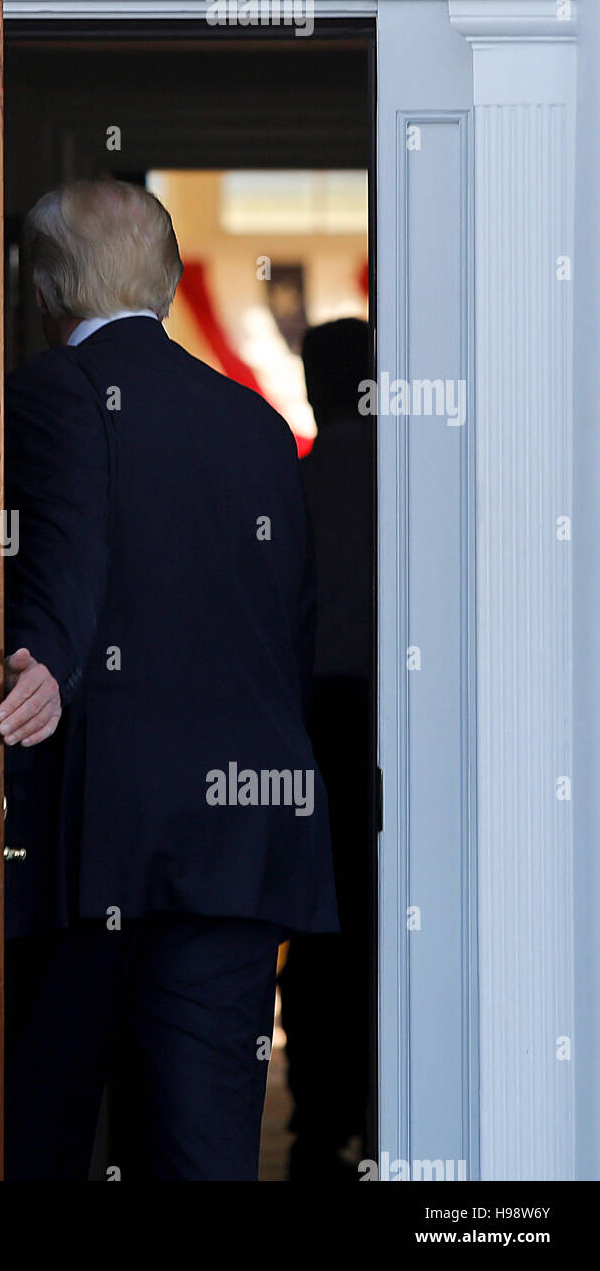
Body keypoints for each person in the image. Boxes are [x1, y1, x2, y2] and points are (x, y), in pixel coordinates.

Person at [0, 178, 339, 1181]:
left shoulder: (44, 397)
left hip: (91, 839)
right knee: (202, 1150)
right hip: (239, 839)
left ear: (45, 288)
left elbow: (70, 559)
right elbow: (291, 637)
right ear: (165, 280)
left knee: (40, 1139)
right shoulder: (256, 425)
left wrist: (48, 662)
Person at [276, 317, 376, 1180]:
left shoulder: (296, 490)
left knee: (317, 924)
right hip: (397, 727)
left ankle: (316, 1128)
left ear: (315, 387)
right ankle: (388, 1111)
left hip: (314, 723)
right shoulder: (412, 485)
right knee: (394, 920)